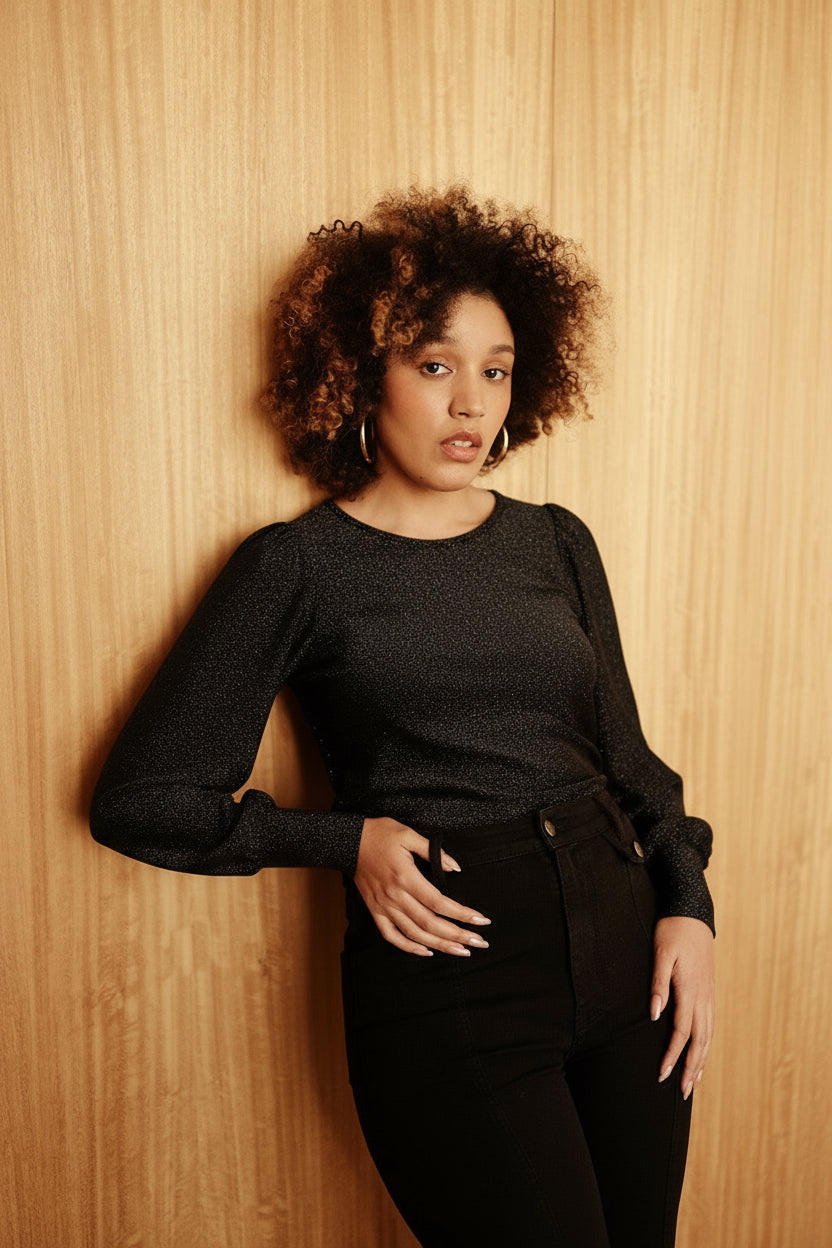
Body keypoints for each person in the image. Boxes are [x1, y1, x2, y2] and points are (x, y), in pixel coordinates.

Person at [90, 187, 715, 1248]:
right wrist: (347, 843)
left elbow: (631, 764)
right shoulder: (298, 567)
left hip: (631, 962)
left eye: (495, 370)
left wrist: (690, 907)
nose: (470, 403)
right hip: (455, 991)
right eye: (433, 367)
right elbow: (143, 800)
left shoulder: (557, 542)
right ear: (358, 374)